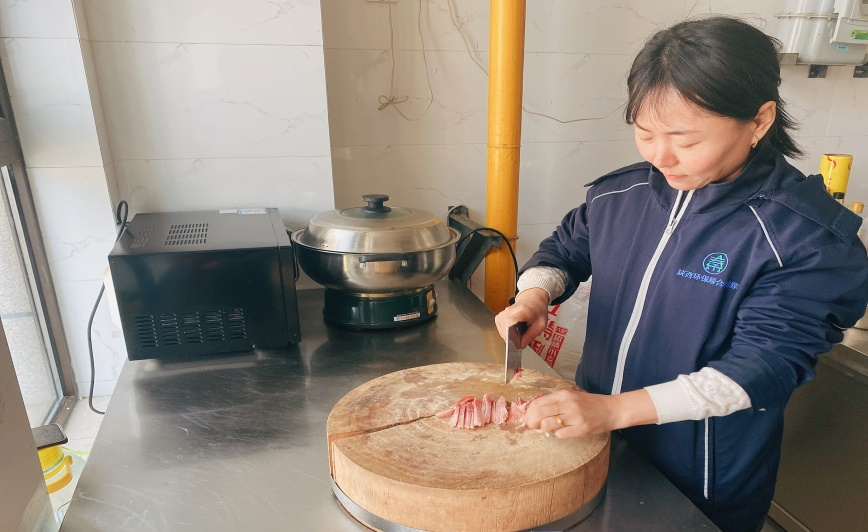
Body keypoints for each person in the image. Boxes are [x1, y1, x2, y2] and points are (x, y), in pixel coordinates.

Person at [495, 16, 868, 532]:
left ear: (759, 121)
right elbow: (564, 250)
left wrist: (612, 410)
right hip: (593, 444)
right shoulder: (621, 195)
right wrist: (535, 296)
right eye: (645, 133)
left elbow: (763, 366)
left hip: (701, 482)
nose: (660, 157)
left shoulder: (804, 238)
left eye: (685, 140)